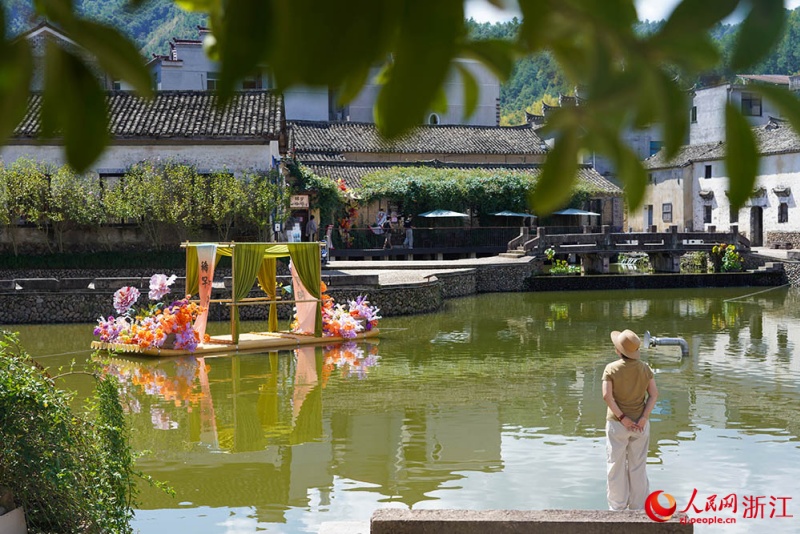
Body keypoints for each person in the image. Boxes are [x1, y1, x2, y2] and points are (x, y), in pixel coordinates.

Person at [602, 329, 658, 511]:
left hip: (617, 424)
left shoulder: (611, 368)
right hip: (640, 425)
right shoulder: (645, 368)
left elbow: (607, 396)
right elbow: (654, 395)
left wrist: (622, 417)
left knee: (615, 466)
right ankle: (639, 508)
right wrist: (643, 417)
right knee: (638, 467)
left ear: (618, 350)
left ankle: (617, 508)